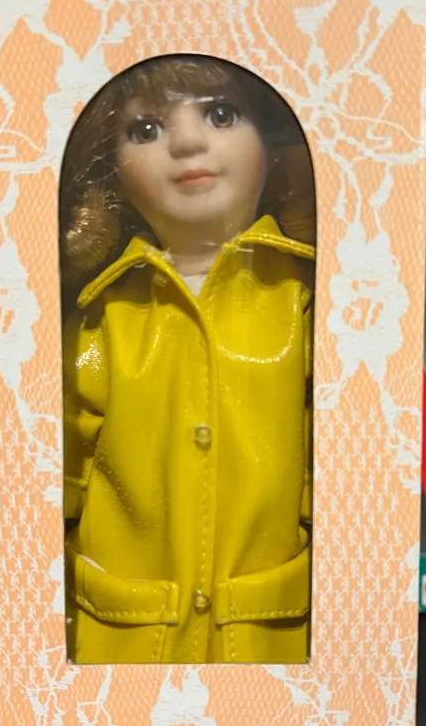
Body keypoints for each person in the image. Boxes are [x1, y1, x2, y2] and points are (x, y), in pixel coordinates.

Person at [60, 55, 315, 663]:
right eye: (146, 129)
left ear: (274, 147)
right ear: (113, 173)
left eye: (221, 115)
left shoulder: (304, 303)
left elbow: (338, 459)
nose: (188, 143)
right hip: (130, 634)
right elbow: (62, 463)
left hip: (262, 628)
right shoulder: (102, 319)